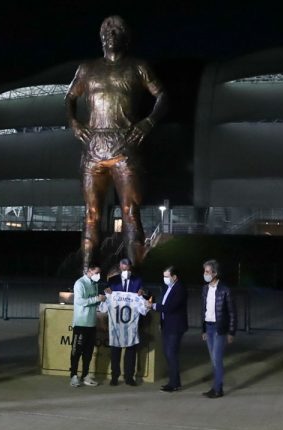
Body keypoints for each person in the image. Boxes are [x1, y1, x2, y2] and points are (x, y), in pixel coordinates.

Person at [66, 15, 167, 271]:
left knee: (130, 211)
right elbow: (68, 98)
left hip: (124, 146)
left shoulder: (137, 67)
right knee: (91, 215)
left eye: (117, 31)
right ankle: (87, 276)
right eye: (107, 31)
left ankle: (133, 278)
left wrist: (149, 122)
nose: (111, 35)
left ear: (125, 38)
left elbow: (162, 95)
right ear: (101, 38)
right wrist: (74, 122)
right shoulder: (87, 69)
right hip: (93, 147)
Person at [99, 273, 150, 386]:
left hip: (119, 330)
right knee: (119, 354)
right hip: (126, 330)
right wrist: (106, 296)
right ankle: (120, 377)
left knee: (124, 354)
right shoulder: (113, 293)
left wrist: (142, 295)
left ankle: (123, 377)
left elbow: (102, 309)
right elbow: (144, 310)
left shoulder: (134, 293)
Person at [200, 259, 236, 399]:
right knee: (213, 359)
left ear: (215, 273)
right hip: (208, 327)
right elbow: (203, 310)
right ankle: (215, 387)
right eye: (204, 271)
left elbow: (232, 312)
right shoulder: (205, 289)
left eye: (208, 272)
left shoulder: (225, 290)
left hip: (219, 328)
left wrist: (231, 331)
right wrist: (203, 329)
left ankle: (218, 389)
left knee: (217, 358)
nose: (205, 274)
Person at [152, 265, 188, 392]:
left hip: (175, 327)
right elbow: (164, 304)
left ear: (174, 277)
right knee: (168, 354)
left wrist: (153, 306)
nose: (164, 279)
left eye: (167, 276)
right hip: (167, 325)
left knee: (171, 354)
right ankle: (174, 381)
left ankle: (174, 383)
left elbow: (169, 307)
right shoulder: (168, 287)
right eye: (164, 276)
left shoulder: (180, 289)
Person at [69, 265, 106, 387]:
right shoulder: (80, 283)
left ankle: (85, 375)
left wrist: (101, 301)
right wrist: (96, 298)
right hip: (81, 323)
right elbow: (79, 301)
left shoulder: (94, 284)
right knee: (76, 351)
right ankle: (74, 376)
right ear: (89, 271)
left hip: (91, 324)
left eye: (99, 273)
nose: (98, 275)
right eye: (96, 272)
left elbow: (94, 302)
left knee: (88, 352)